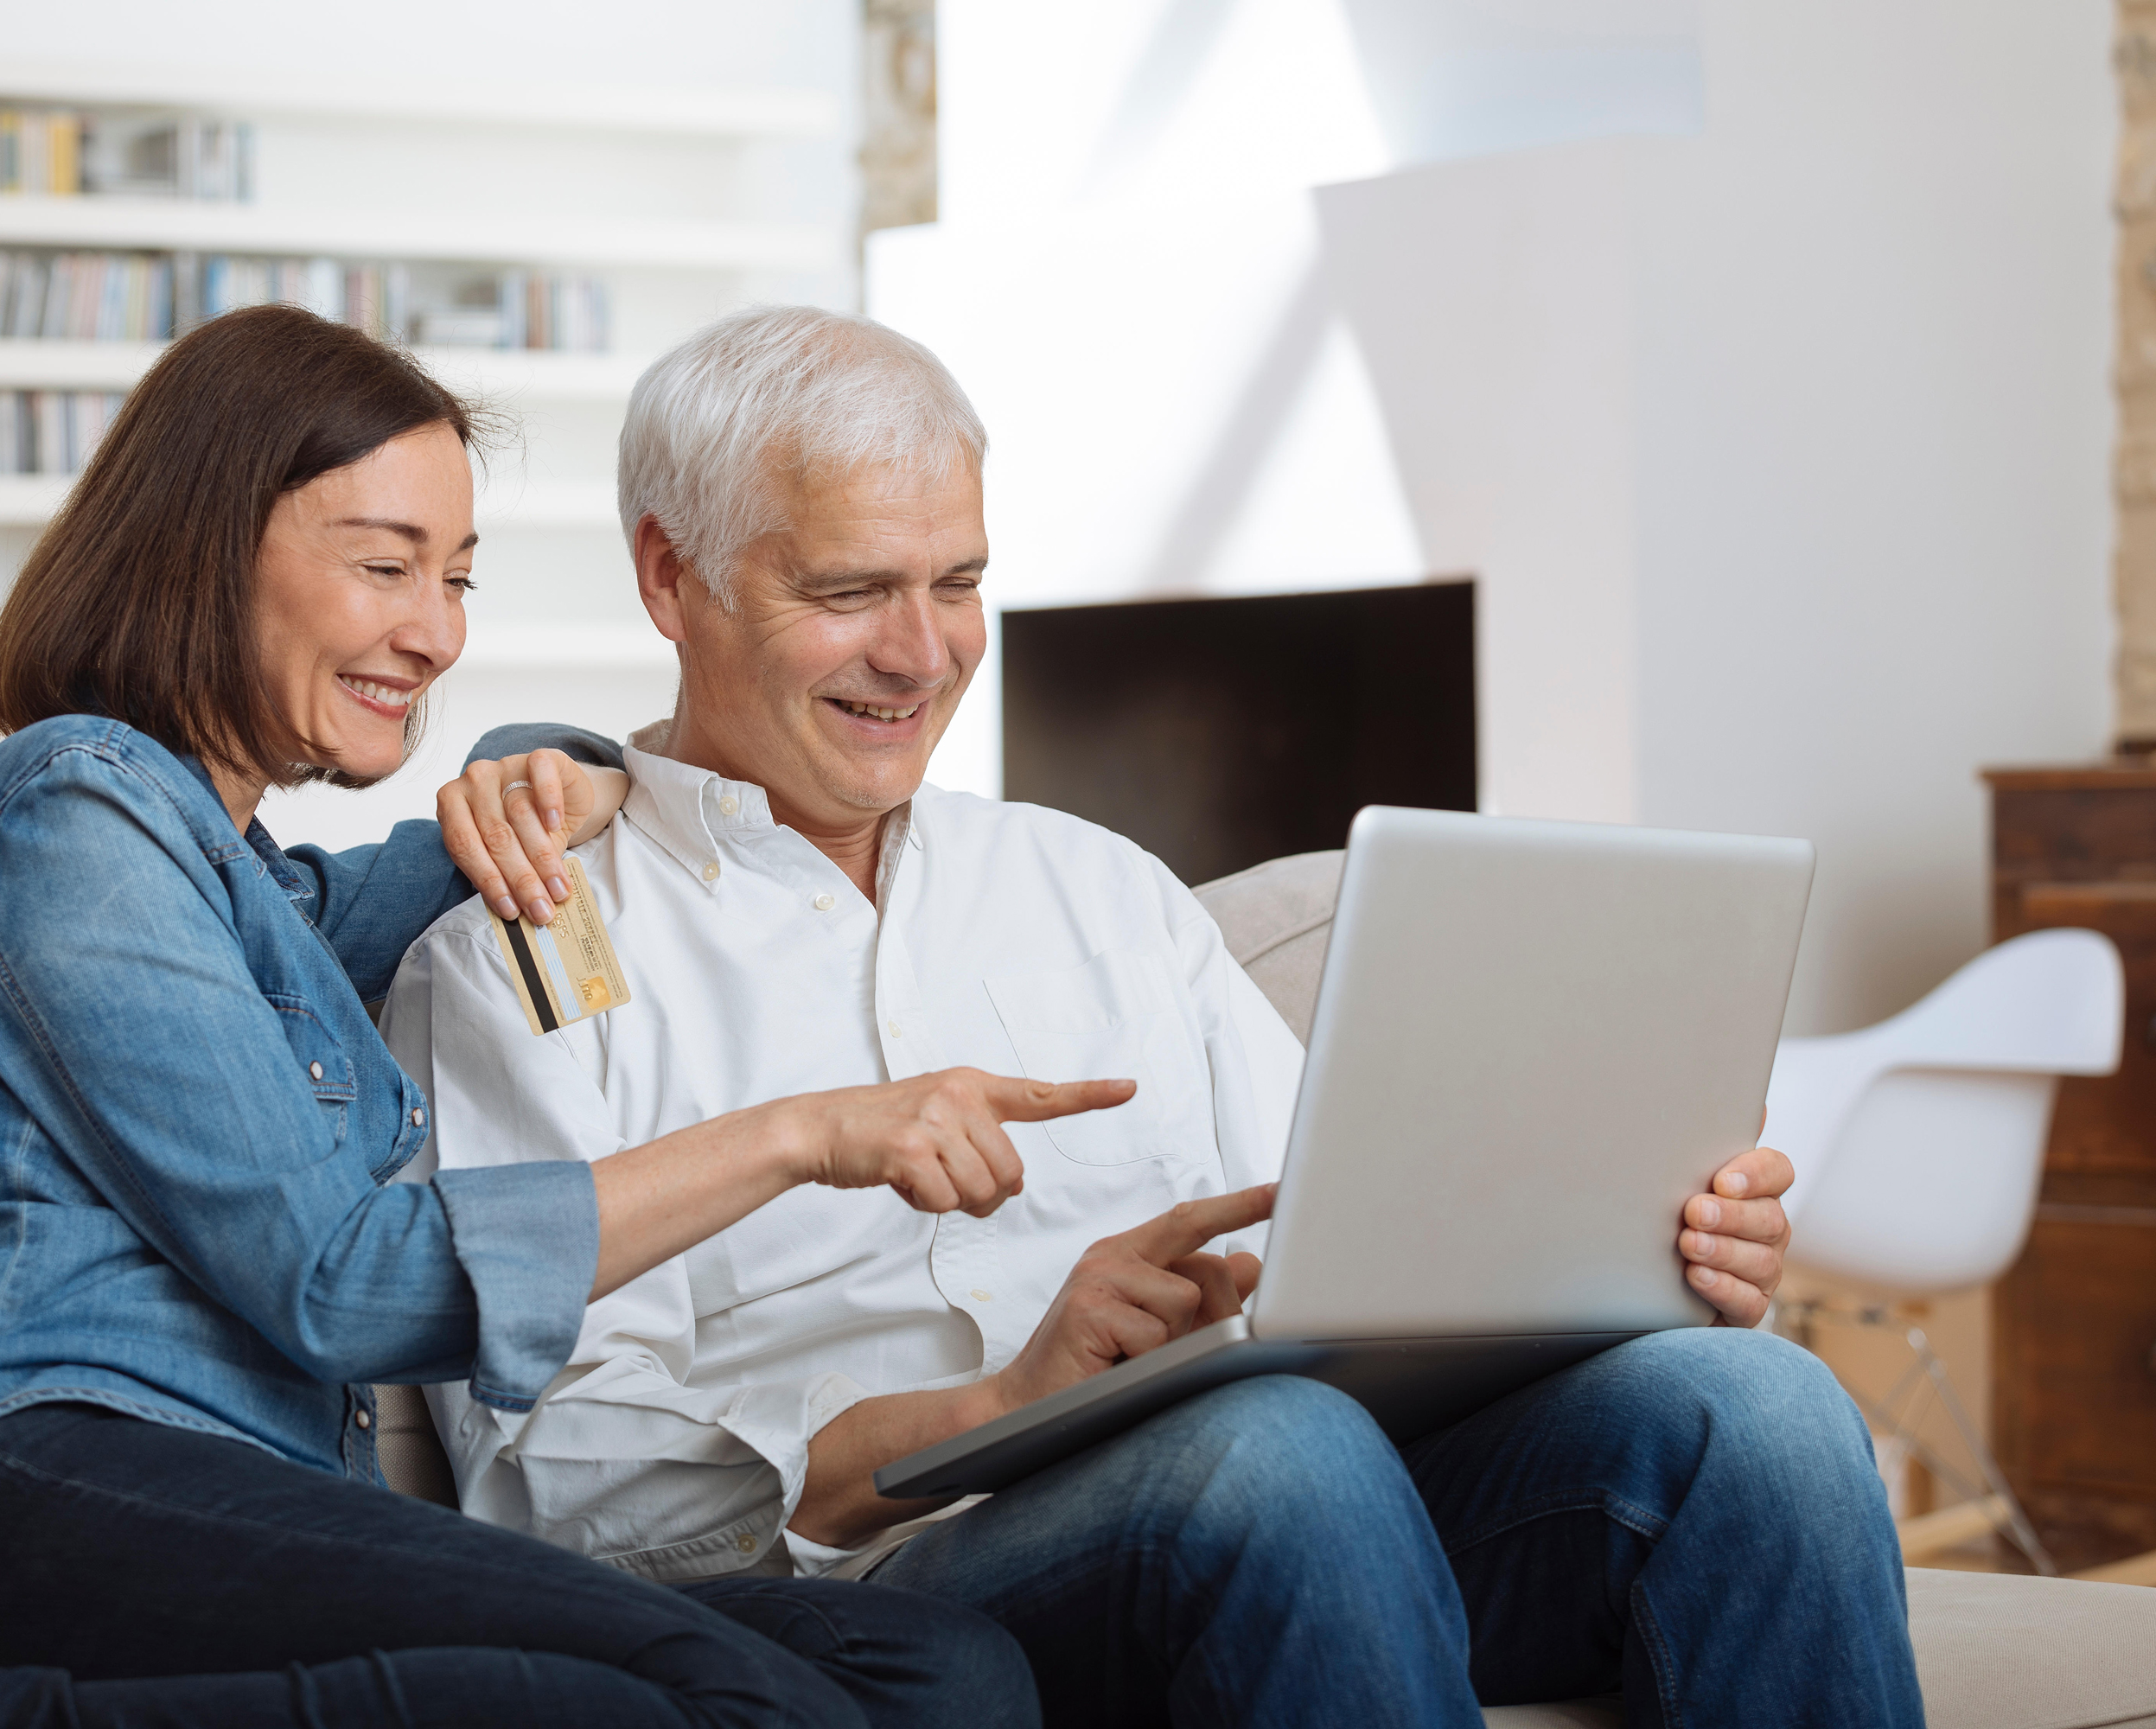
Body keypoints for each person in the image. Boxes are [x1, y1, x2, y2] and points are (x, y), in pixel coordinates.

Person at [388, 306, 1925, 1728]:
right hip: (898, 1582)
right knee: (1274, 1457)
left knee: (1758, 1411)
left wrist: (1639, 1264)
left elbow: (1345, 1261)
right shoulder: (524, 947)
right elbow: (546, 1484)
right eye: (851, 590)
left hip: (1305, 1512)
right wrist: (991, 1408)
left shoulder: (1098, 888)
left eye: (961, 583)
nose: (923, 654)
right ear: (672, 578)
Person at [0, 305, 1071, 1729]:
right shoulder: (67, 815)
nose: (436, 632)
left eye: (456, 579)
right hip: (30, 1480)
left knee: (936, 1668)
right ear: (205, 549)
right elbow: (343, 1279)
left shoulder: (253, 893)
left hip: (260, 1502)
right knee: (721, 1693)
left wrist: (555, 768)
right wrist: (810, 1134)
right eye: (385, 566)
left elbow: (460, 844)